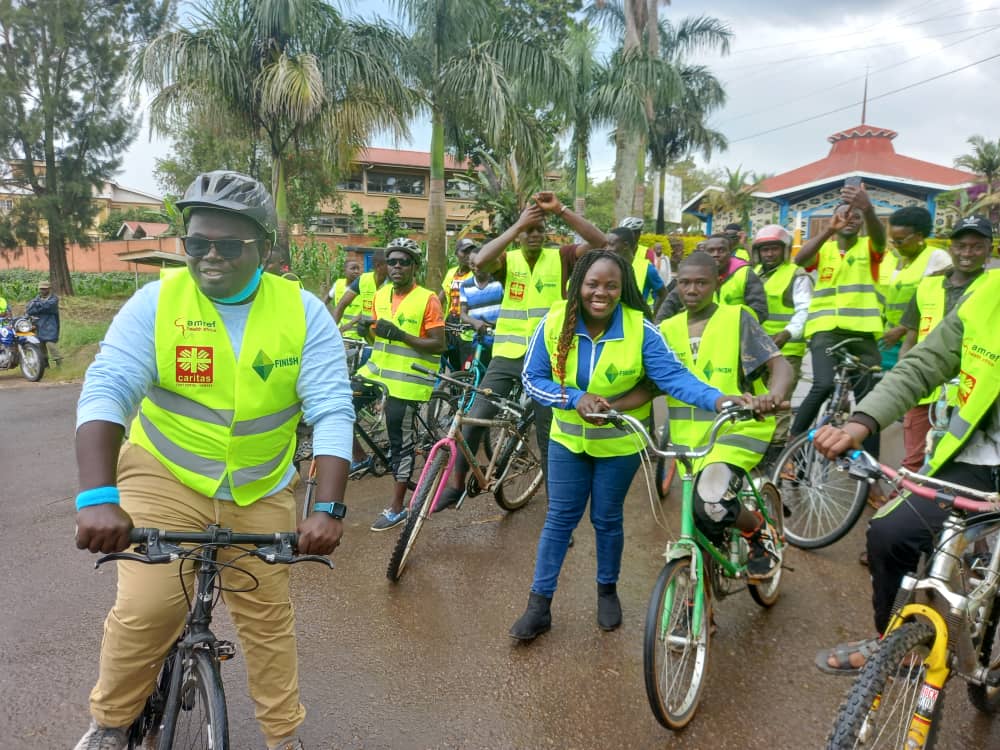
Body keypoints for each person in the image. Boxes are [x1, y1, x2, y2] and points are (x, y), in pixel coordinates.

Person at [71, 170, 354, 750]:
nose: (210, 258)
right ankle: (110, 724)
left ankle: (283, 738)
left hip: (261, 485)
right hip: (165, 473)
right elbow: (108, 390)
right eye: (197, 244)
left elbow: (332, 411)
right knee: (148, 608)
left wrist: (327, 507)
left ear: (265, 248)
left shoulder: (304, 313)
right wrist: (98, 496)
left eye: (229, 246)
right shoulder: (156, 302)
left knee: (268, 620)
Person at [511, 250, 745, 641]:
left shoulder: (640, 329)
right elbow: (531, 378)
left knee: (607, 519)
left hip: (618, 447)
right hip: (567, 441)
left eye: (611, 286)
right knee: (559, 520)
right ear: (578, 285)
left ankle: (607, 591)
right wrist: (574, 398)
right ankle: (539, 606)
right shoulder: (554, 321)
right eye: (592, 284)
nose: (600, 292)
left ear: (623, 289)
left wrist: (718, 399)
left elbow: (674, 377)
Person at [812, 270, 1000, 674]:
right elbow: (923, 365)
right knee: (890, 534)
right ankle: (897, 645)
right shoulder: (988, 292)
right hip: (975, 463)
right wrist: (859, 424)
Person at [434, 191, 609, 510]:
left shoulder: (562, 257)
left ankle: (558, 512)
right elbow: (481, 260)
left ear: (546, 234)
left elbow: (600, 242)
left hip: (549, 362)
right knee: (476, 418)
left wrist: (561, 210)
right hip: (507, 356)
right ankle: (457, 485)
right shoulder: (508, 260)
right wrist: (518, 225)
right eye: (529, 230)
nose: (534, 235)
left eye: (539, 230)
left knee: (548, 437)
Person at [660, 251, 792, 579]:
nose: (691, 290)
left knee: (711, 504)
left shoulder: (737, 318)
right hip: (688, 440)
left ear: (718, 282)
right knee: (698, 521)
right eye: (684, 283)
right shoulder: (665, 329)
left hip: (737, 430)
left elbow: (780, 364)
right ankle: (701, 610)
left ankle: (759, 533)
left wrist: (774, 394)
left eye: (701, 283)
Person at [788, 183, 886, 461]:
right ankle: (792, 445)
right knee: (823, 384)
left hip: (862, 334)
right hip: (826, 332)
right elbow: (799, 259)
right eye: (844, 215)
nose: (850, 220)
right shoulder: (825, 249)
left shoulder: (871, 247)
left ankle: (870, 465)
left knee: (870, 403)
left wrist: (868, 209)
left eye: (856, 217)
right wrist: (828, 230)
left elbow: (879, 237)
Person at [895, 215, 992, 472]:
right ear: (951, 249)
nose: (967, 253)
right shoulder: (928, 286)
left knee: (961, 464)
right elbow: (910, 339)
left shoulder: (993, 289)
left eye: (976, 246)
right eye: (961, 246)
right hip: (924, 391)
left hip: (970, 396)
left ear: (989, 251)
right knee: (914, 464)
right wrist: (904, 380)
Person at [362, 237, 446, 531]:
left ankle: (398, 508)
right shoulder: (380, 295)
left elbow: (438, 344)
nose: (397, 267)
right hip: (378, 374)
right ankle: (364, 461)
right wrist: (367, 333)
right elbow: (378, 338)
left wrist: (401, 335)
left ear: (414, 266)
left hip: (408, 381)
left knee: (401, 443)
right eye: (392, 262)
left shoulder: (428, 298)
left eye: (404, 262)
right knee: (343, 404)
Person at [752, 224, 812, 458]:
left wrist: (787, 333)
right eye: (764, 249)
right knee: (755, 399)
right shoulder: (753, 273)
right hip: (754, 350)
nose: (769, 254)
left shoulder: (796, 275)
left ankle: (775, 455)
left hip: (786, 348)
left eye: (774, 249)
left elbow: (804, 310)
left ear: (784, 249)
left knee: (779, 401)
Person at [876, 206, 952, 369]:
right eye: (892, 240)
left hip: (916, 341)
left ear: (919, 236)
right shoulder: (891, 258)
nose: (896, 245)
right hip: (888, 340)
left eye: (900, 241)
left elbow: (940, 304)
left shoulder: (937, 259)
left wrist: (903, 329)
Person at [654, 233, 769, 323]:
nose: (716, 254)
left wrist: (732, 325)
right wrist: (658, 326)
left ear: (730, 252)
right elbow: (671, 301)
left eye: (721, 250)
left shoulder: (744, 273)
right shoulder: (695, 273)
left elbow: (759, 311)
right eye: (711, 251)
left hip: (737, 336)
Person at [606, 226, 667, 311]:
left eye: (611, 244)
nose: (607, 249)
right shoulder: (608, 266)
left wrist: (654, 316)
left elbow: (663, 293)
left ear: (625, 245)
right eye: (607, 245)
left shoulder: (647, 268)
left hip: (637, 321)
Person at [459, 259, 503, 369]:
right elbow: (463, 314)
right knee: (475, 369)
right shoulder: (466, 285)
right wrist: (475, 322)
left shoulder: (499, 282)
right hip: (478, 337)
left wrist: (497, 322)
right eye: (472, 264)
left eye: (480, 264)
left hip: (499, 338)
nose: (476, 267)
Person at [441, 238, 477, 370]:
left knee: (466, 368)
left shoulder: (476, 273)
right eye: (465, 252)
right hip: (450, 325)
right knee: (452, 366)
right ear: (456, 253)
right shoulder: (451, 272)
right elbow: (443, 295)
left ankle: (465, 390)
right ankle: (455, 391)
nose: (469, 255)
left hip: (467, 328)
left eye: (471, 251)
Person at [331, 249, 388, 330]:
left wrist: (351, 323)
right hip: (366, 335)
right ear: (378, 266)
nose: (394, 267)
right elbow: (342, 304)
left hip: (383, 335)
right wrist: (332, 330)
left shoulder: (394, 285)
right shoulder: (363, 280)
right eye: (390, 263)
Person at [327, 258, 364, 341]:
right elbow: (325, 301)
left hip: (357, 337)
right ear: (344, 270)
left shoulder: (363, 287)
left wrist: (349, 325)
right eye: (353, 268)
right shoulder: (338, 284)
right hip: (338, 334)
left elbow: (366, 311)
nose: (356, 271)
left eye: (358, 269)